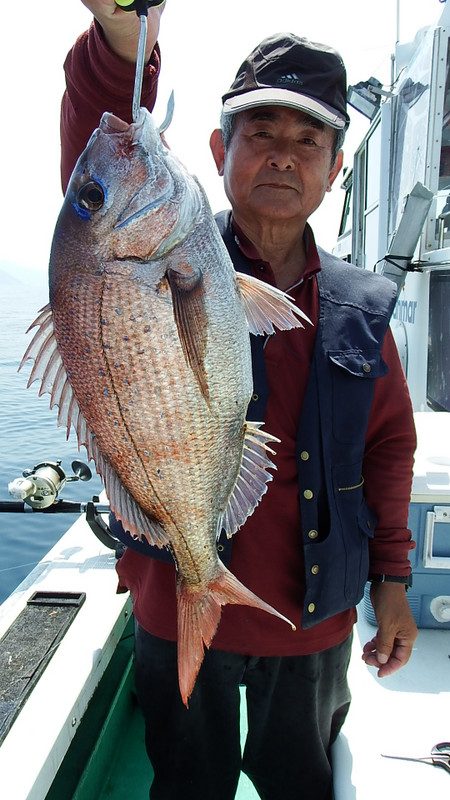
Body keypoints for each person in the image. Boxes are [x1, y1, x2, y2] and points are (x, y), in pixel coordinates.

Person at [61, 4, 418, 799]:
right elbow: (98, 163)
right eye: (260, 134)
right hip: (173, 600)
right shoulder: (162, 259)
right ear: (219, 151)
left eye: (308, 141)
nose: (283, 158)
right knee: (187, 783)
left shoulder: (364, 304)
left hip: (314, 620)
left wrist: (392, 580)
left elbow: (390, 447)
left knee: (302, 782)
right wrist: (124, 34)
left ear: (334, 168)